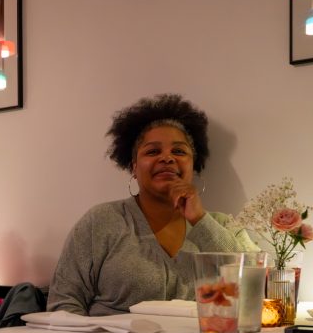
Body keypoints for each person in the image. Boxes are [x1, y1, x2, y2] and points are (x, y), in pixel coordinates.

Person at [47, 94, 257, 315]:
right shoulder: (101, 221)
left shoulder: (223, 225)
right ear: (134, 167)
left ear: (194, 166)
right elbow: (63, 303)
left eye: (178, 151)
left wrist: (200, 220)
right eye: (153, 151)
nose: (167, 158)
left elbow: (256, 289)